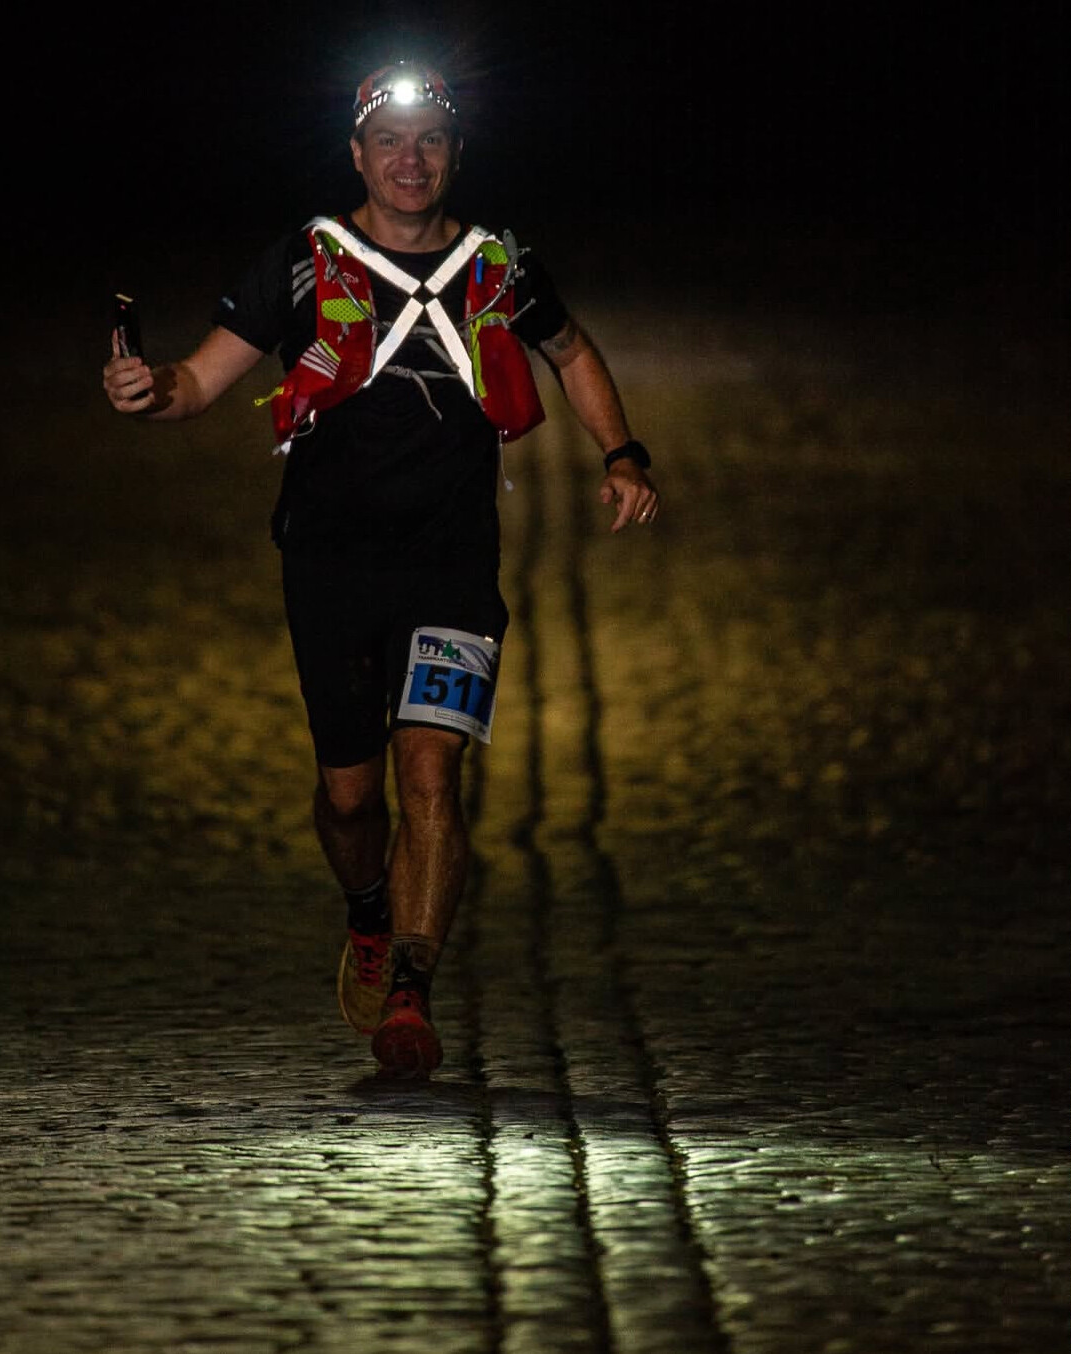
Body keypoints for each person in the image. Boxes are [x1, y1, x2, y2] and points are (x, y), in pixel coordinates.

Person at [102, 62, 658, 1078]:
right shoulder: (304, 263)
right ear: (357, 155)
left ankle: (411, 988)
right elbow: (199, 381)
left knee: (431, 772)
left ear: (456, 154)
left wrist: (621, 454)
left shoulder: (500, 265)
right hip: (329, 565)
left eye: (431, 139)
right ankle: (367, 909)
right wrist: (149, 389)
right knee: (353, 798)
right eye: (391, 141)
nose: (412, 160)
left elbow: (572, 352)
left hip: (453, 569)